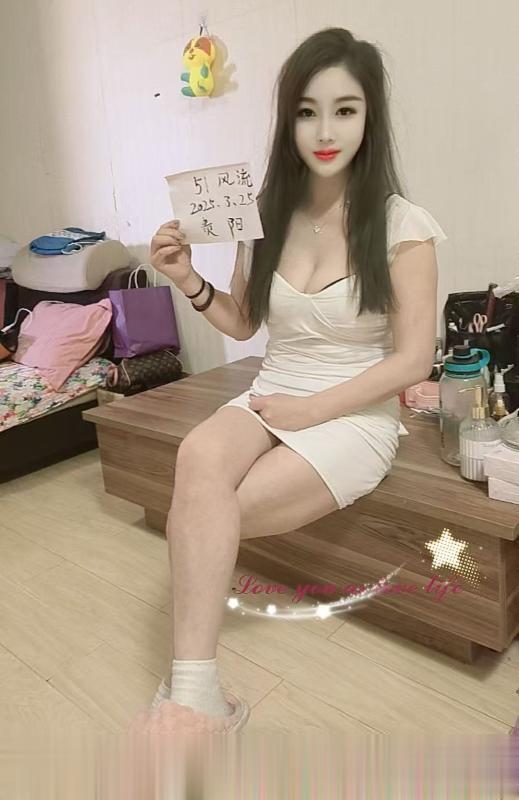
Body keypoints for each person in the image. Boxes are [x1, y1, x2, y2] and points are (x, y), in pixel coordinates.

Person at [139, 27, 447, 734]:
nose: (325, 131)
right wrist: (188, 280)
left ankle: (186, 696)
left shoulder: (402, 225)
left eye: (345, 110)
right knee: (197, 460)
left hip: (355, 409)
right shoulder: (264, 214)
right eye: (307, 112)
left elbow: (412, 362)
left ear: (370, 118)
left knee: (210, 512)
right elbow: (244, 320)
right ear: (287, 120)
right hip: (272, 388)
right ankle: (196, 694)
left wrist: (312, 412)